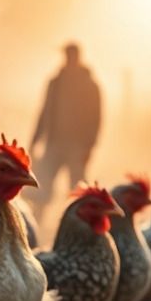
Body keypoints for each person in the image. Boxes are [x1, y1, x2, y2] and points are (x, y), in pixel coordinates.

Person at [28, 42, 102, 219]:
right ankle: (36, 223)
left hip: (78, 146)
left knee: (77, 190)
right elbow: (45, 111)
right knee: (42, 184)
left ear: (78, 57)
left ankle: (78, 224)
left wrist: (89, 146)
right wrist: (35, 140)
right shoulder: (55, 83)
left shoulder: (90, 85)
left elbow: (96, 117)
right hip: (53, 143)